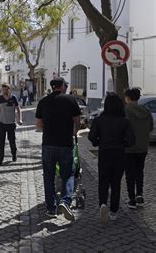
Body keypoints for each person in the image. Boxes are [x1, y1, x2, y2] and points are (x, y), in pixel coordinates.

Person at [35, 77, 81, 221]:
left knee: (48, 176)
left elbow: (38, 124)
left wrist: (48, 130)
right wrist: (74, 132)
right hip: (65, 144)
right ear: (62, 86)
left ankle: (51, 209)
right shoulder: (70, 100)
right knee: (67, 174)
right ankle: (65, 201)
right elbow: (78, 120)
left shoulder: (43, 101)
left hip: (48, 144)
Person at [88, 93, 136, 224]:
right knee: (116, 184)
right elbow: (132, 140)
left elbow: (91, 136)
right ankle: (114, 211)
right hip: (119, 154)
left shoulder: (99, 120)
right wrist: (123, 144)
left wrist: (98, 142)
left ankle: (103, 204)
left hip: (104, 153)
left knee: (103, 181)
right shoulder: (125, 121)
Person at [124, 87, 154, 209]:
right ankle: (140, 194)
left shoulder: (125, 110)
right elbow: (151, 128)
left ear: (128, 98)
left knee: (129, 173)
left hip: (129, 147)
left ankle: (132, 199)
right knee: (139, 171)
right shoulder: (146, 111)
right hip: (143, 146)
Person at [0, 83, 22, 167]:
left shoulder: (13, 98)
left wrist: (19, 119)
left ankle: (14, 154)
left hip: (11, 123)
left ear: (9, 89)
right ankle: (0, 160)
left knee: (12, 141)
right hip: (2, 123)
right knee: (1, 143)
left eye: (6, 89)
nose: (4, 91)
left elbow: (18, 109)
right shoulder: (0, 98)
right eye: (3, 90)